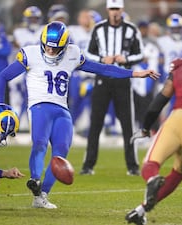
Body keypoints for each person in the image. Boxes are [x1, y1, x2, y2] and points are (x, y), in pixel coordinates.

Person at [0, 21, 159, 209]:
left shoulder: (72, 54)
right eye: (47, 46)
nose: (49, 51)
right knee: (39, 143)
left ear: (65, 46)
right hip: (39, 106)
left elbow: (103, 69)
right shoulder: (30, 54)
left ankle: (41, 196)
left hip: (62, 110)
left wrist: (135, 73)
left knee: (61, 152)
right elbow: (2, 77)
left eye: (55, 48)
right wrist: (0, 105)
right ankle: (35, 179)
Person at [125, 30, 182, 225]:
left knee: (151, 164)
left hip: (180, 119)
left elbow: (160, 100)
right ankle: (141, 210)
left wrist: (145, 127)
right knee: (178, 173)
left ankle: (152, 180)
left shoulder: (181, 66)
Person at [80, 0, 145, 176]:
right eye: (112, 9)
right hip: (103, 78)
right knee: (96, 123)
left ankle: (132, 166)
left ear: (122, 9)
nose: (115, 12)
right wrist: (102, 58)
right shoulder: (99, 29)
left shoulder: (131, 29)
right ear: (108, 10)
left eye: (117, 9)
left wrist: (126, 59)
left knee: (127, 124)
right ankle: (88, 165)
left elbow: (140, 53)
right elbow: (88, 53)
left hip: (123, 79)